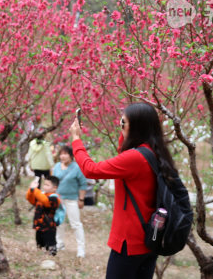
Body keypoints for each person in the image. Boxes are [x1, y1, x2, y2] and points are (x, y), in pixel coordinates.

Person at [69, 102, 177, 279]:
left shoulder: (135, 158)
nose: (121, 125)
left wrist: (76, 140)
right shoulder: (154, 152)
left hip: (129, 241)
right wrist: (124, 129)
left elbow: (91, 170)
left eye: (123, 123)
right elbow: (123, 154)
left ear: (136, 128)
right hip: (150, 237)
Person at [52, 144, 87, 258]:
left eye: (65, 154)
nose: (63, 156)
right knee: (59, 223)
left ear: (71, 156)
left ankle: (81, 249)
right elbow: (53, 183)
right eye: (61, 154)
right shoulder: (56, 166)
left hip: (72, 200)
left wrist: (81, 199)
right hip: (59, 199)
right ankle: (59, 244)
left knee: (76, 224)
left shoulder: (77, 168)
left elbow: (82, 185)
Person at [26, 174, 61, 256]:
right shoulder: (41, 194)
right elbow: (30, 199)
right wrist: (31, 190)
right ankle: (41, 256)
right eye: (44, 184)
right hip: (39, 226)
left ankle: (51, 258)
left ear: (54, 188)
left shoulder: (55, 198)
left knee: (50, 244)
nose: (44, 186)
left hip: (49, 227)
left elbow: (45, 201)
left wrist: (35, 190)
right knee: (40, 244)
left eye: (47, 185)